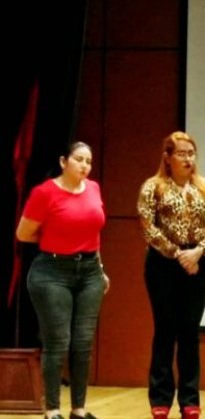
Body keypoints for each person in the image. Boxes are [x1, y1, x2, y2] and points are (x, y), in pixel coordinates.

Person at [15, 141, 109, 419]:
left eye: (88, 161)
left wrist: (100, 268)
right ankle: (53, 408)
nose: (84, 165)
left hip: (89, 270)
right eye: (79, 159)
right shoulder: (44, 193)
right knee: (59, 341)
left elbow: (95, 231)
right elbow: (23, 233)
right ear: (63, 161)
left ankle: (78, 409)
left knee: (82, 341)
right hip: (52, 272)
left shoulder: (93, 188)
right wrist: (55, 241)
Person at [136, 131, 205, 419]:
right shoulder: (153, 187)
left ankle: (190, 399)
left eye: (191, 153)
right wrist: (177, 254)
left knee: (189, 331)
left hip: (199, 263)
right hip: (163, 264)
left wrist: (198, 252)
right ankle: (160, 398)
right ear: (168, 157)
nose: (188, 158)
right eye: (182, 153)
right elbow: (149, 228)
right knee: (165, 329)